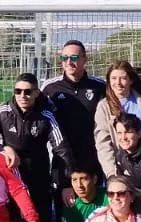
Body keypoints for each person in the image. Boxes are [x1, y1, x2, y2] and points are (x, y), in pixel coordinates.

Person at [0, 73, 72, 222]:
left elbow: (62, 149)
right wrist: (5, 149)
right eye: (18, 91)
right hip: (11, 180)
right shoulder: (3, 112)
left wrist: (64, 182)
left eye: (27, 92)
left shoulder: (46, 116)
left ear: (36, 93)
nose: (22, 96)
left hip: (38, 179)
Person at [42, 40, 108, 181]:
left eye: (74, 58)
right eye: (64, 58)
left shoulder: (99, 86)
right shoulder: (50, 88)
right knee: (64, 201)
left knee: (94, 201)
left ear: (84, 59)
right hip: (62, 159)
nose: (69, 62)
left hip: (93, 158)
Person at [95, 60, 141, 177]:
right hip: (121, 168)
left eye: (123, 78)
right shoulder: (104, 107)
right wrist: (112, 172)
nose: (118, 83)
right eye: (113, 78)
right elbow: (103, 143)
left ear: (131, 80)